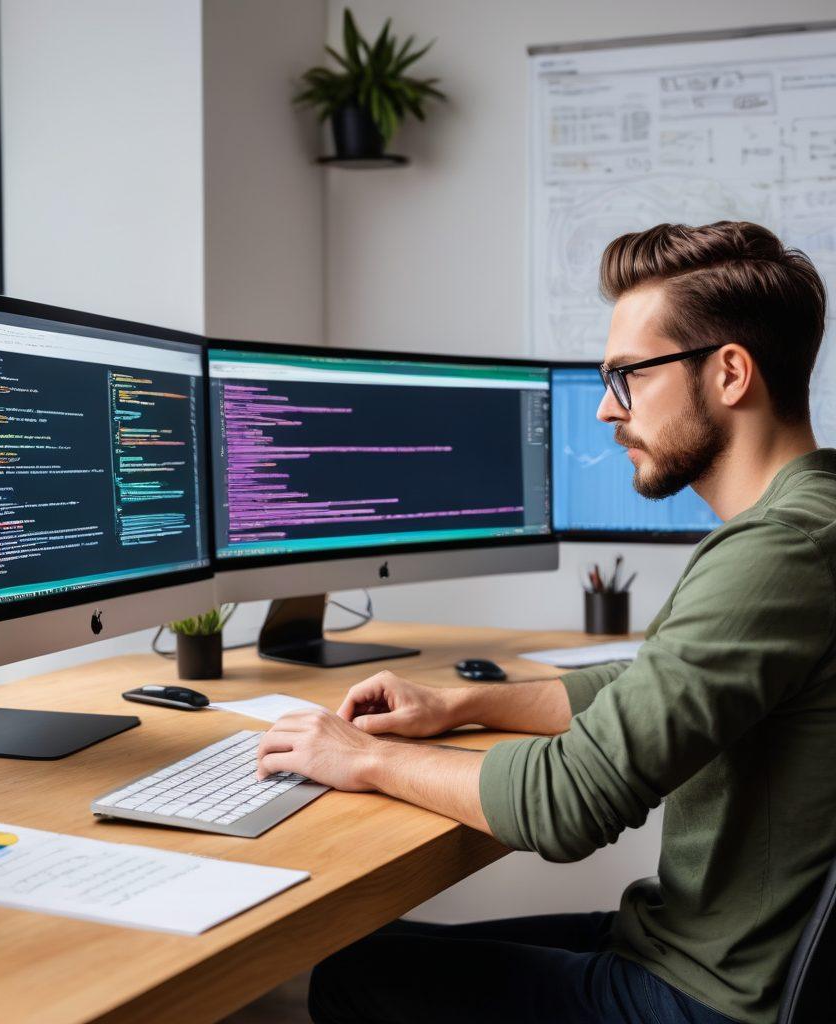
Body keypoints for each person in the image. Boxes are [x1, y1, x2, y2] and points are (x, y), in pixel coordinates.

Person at [255, 221, 836, 1024]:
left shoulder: (778, 553)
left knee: (351, 980)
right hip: (708, 945)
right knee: (374, 955)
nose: (605, 408)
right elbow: (650, 684)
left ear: (731, 373)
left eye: (627, 376)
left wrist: (362, 758)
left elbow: (568, 803)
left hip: (718, 993)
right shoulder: (811, 518)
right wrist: (465, 704)